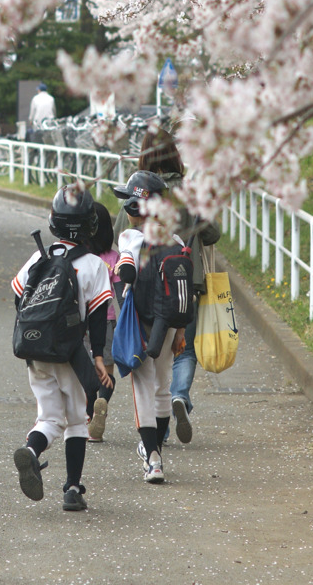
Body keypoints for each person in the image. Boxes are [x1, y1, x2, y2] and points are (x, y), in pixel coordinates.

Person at [113, 127, 220, 445]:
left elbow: (120, 231)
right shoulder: (190, 190)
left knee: (151, 352)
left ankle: (154, 426)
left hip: (146, 285)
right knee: (185, 346)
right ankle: (179, 396)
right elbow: (212, 233)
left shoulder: (137, 189)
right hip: (188, 279)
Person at [11, 186, 112, 511]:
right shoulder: (94, 265)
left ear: (54, 222)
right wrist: (97, 357)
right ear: (90, 226)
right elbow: (98, 318)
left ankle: (31, 449)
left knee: (49, 417)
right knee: (77, 421)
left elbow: (19, 299)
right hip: (70, 353)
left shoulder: (39, 256)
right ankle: (72, 488)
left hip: (35, 352)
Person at [114, 170, 188, 484]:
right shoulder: (176, 239)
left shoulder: (131, 236)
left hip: (141, 321)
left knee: (143, 388)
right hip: (170, 324)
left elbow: (127, 270)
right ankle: (156, 450)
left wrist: (122, 265)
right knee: (162, 386)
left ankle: (153, 458)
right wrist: (181, 332)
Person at [85, 201, 120, 442]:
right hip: (106, 322)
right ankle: (102, 402)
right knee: (106, 372)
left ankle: (89, 420)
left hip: (80, 322)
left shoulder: (81, 257)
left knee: (85, 374)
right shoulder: (113, 257)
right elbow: (121, 294)